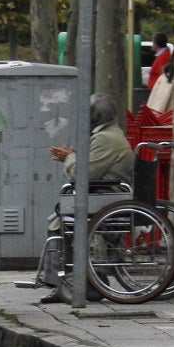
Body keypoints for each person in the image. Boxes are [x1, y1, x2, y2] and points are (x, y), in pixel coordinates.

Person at [39, 92, 135, 304]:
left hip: (105, 198)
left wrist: (70, 158)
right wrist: (74, 157)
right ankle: (67, 280)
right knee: (58, 216)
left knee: (58, 222)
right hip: (105, 195)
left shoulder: (104, 139)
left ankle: (64, 281)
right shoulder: (109, 135)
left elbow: (82, 175)